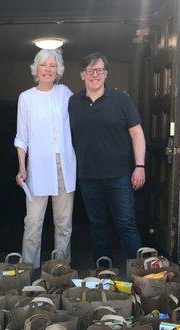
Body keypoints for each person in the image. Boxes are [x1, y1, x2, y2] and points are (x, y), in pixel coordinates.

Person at [68, 52, 145, 263]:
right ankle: (104, 272)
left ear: (106, 74)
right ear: (82, 75)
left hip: (119, 175)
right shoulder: (72, 103)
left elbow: (136, 133)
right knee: (97, 225)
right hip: (88, 176)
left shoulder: (121, 99)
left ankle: (138, 273)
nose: (95, 74)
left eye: (100, 70)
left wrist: (140, 166)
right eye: (90, 70)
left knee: (126, 223)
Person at [14, 49, 76, 270]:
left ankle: (61, 271)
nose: (48, 69)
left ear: (57, 70)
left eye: (52, 65)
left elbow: (78, 125)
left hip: (64, 166)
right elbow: (22, 137)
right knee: (32, 224)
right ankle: (28, 272)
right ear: (36, 69)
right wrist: (22, 167)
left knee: (63, 224)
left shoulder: (65, 93)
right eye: (44, 65)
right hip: (38, 168)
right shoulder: (26, 98)